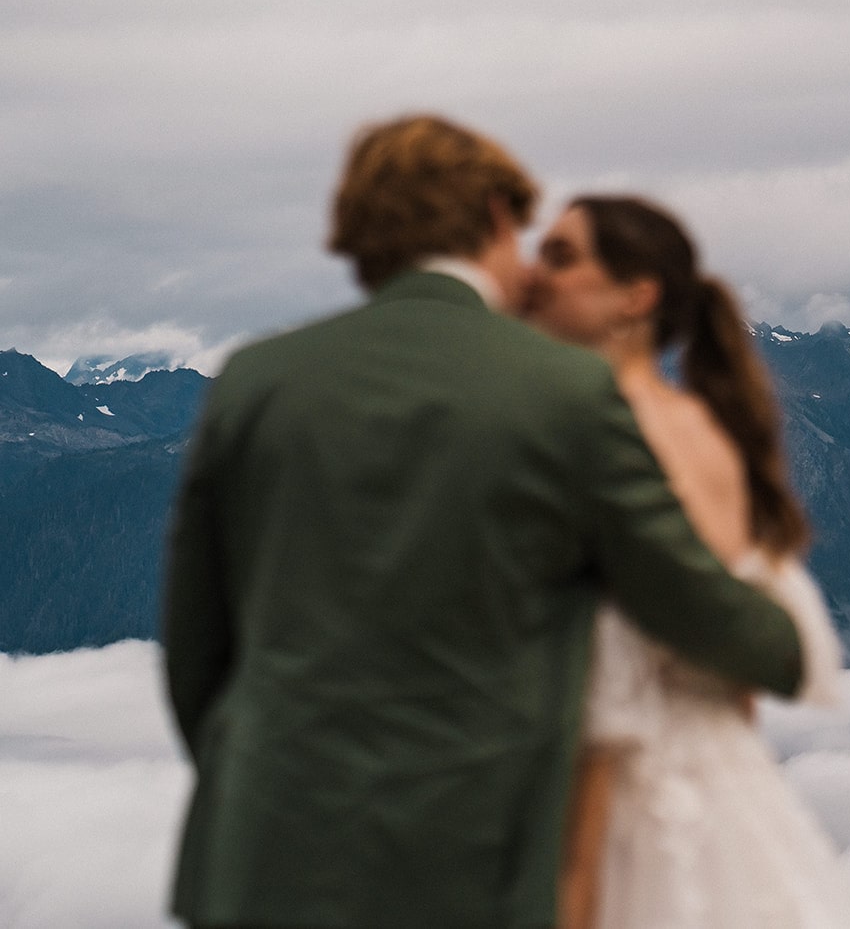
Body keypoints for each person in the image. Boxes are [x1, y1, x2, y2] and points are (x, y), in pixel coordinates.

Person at [162, 115, 804, 929]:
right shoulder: (559, 389)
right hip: (468, 865)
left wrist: (259, 783)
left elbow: (196, 647)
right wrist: (786, 643)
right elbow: (678, 590)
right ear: (499, 215)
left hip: (264, 860)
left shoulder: (254, 380)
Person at [523, 195, 850, 929]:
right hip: (723, 790)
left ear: (636, 295)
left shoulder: (596, 431)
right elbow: (729, 655)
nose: (535, 273)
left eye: (560, 256)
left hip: (609, 801)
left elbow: (602, 682)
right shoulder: (707, 432)